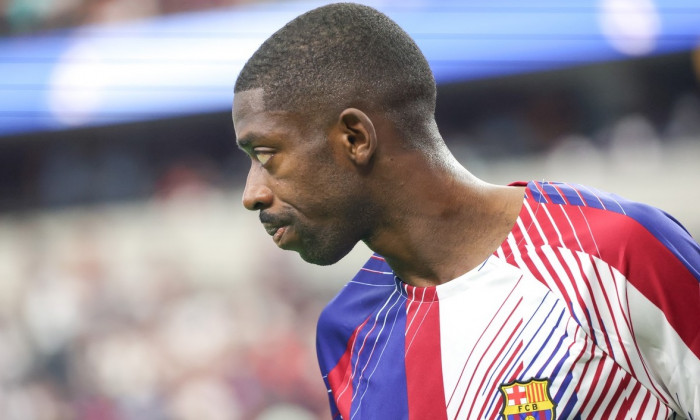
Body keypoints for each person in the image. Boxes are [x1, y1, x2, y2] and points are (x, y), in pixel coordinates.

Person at [232, 3, 700, 419]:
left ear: (355, 138)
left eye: (266, 154)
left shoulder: (617, 253)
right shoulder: (345, 333)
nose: (252, 193)